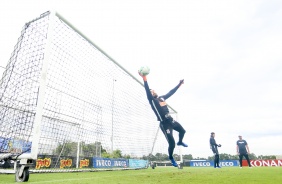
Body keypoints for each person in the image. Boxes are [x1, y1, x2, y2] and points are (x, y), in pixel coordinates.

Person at [139, 72, 187, 167]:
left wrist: (179, 84)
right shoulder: (152, 100)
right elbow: (147, 91)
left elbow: (171, 92)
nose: (152, 91)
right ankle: (171, 157)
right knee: (172, 143)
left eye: (153, 90)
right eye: (151, 91)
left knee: (183, 131)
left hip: (171, 120)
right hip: (165, 124)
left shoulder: (162, 98)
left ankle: (180, 141)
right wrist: (145, 79)